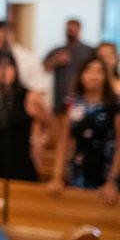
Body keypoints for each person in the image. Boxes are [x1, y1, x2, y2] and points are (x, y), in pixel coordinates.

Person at [48, 56, 120, 205]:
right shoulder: (73, 104)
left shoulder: (114, 106)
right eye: (88, 71)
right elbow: (63, 143)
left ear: (105, 77)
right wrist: (57, 176)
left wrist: (112, 181)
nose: (93, 76)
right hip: (79, 169)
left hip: (106, 170)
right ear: (81, 75)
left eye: (99, 72)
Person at [0, 50, 49, 181]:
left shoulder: (29, 97)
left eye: (8, 66)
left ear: (15, 70)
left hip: (18, 161)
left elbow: (49, 124)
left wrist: (39, 140)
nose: (2, 71)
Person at [0, 24, 47, 95]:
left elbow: (39, 86)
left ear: (13, 35)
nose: (1, 41)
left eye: (4, 37)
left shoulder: (29, 57)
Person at [43, 18, 94, 115]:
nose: (70, 32)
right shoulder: (57, 50)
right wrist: (55, 61)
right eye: (68, 29)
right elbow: (43, 68)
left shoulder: (89, 51)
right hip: (60, 97)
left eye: (73, 29)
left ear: (79, 29)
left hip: (81, 97)